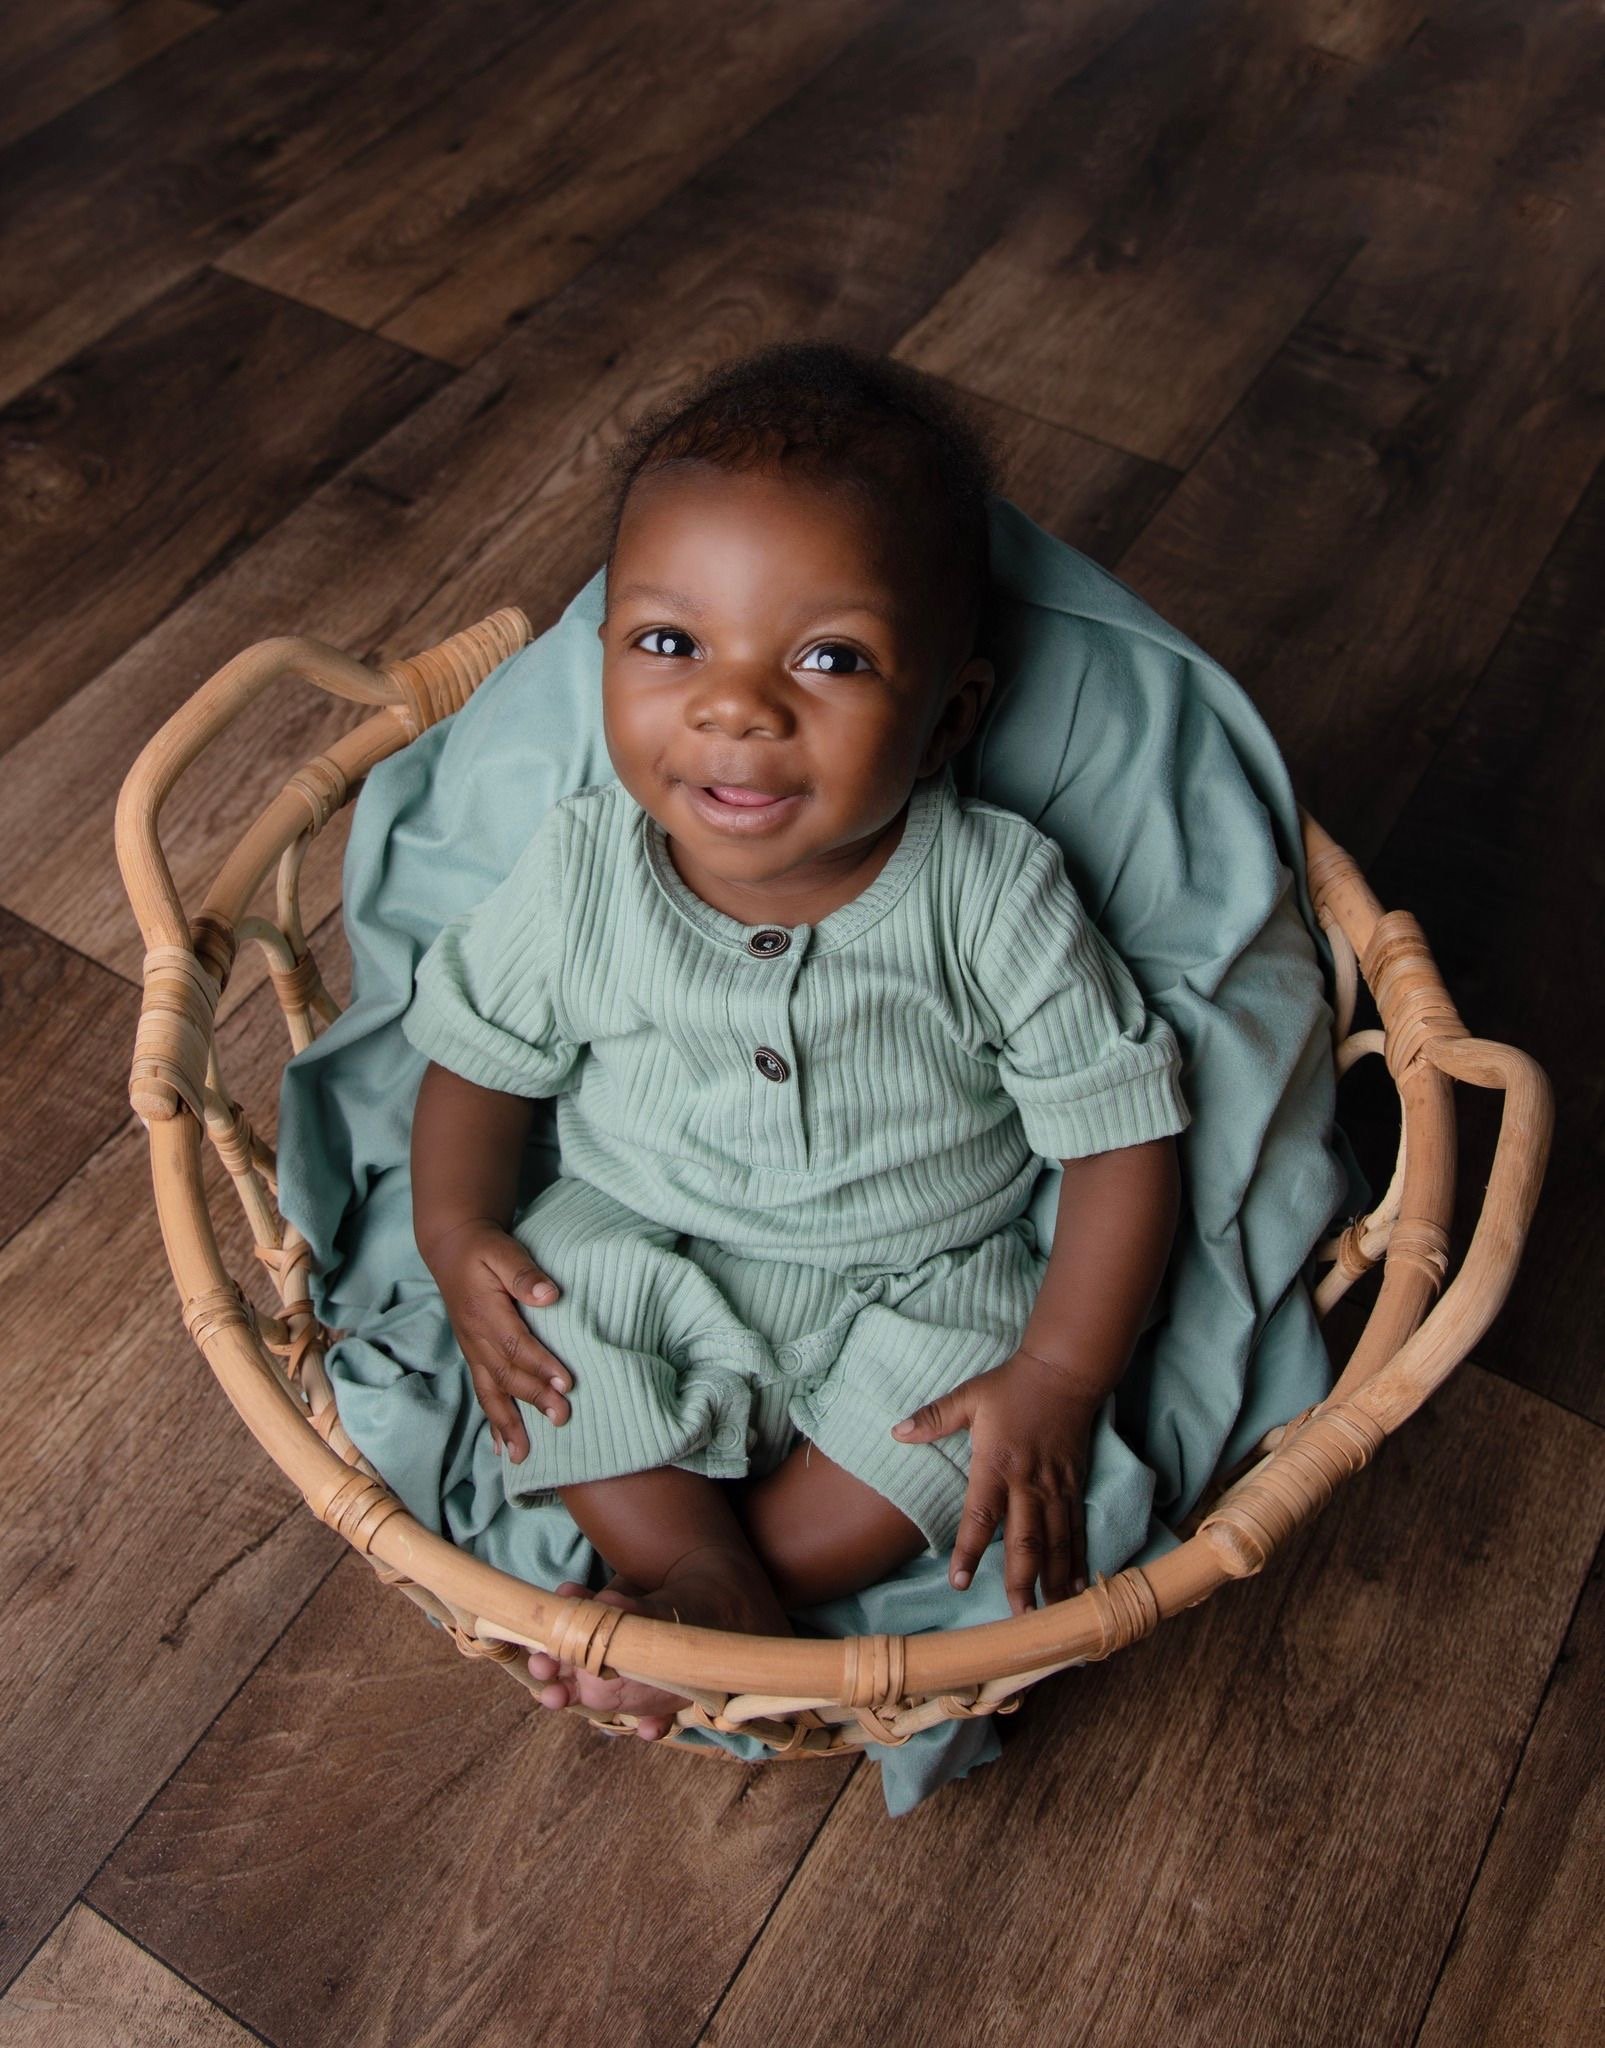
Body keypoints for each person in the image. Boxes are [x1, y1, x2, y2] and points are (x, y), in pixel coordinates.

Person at [401, 340, 1189, 1742]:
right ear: (600, 659)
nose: (734, 705)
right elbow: (477, 1060)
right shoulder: (583, 868)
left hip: (921, 1265)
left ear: (948, 717)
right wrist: (459, 1233)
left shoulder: (990, 890)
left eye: (827, 658)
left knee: (972, 1412)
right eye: (667, 642)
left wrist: (1059, 1377)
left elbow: (1117, 1132)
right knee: (546, 1317)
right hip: (644, 1227)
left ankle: (727, 1593)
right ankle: (696, 1571)